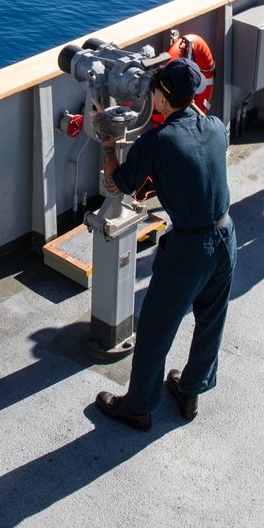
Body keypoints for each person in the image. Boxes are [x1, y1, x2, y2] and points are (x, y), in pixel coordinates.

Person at [94, 58, 236, 430]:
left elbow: (118, 184)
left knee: (157, 327)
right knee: (211, 319)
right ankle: (191, 390)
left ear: (160, 98)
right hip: (226, 235)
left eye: (154, 90)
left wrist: (108, 138)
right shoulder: (217, 127)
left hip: (189, 248)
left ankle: (138, 406)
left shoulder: (156, 141)